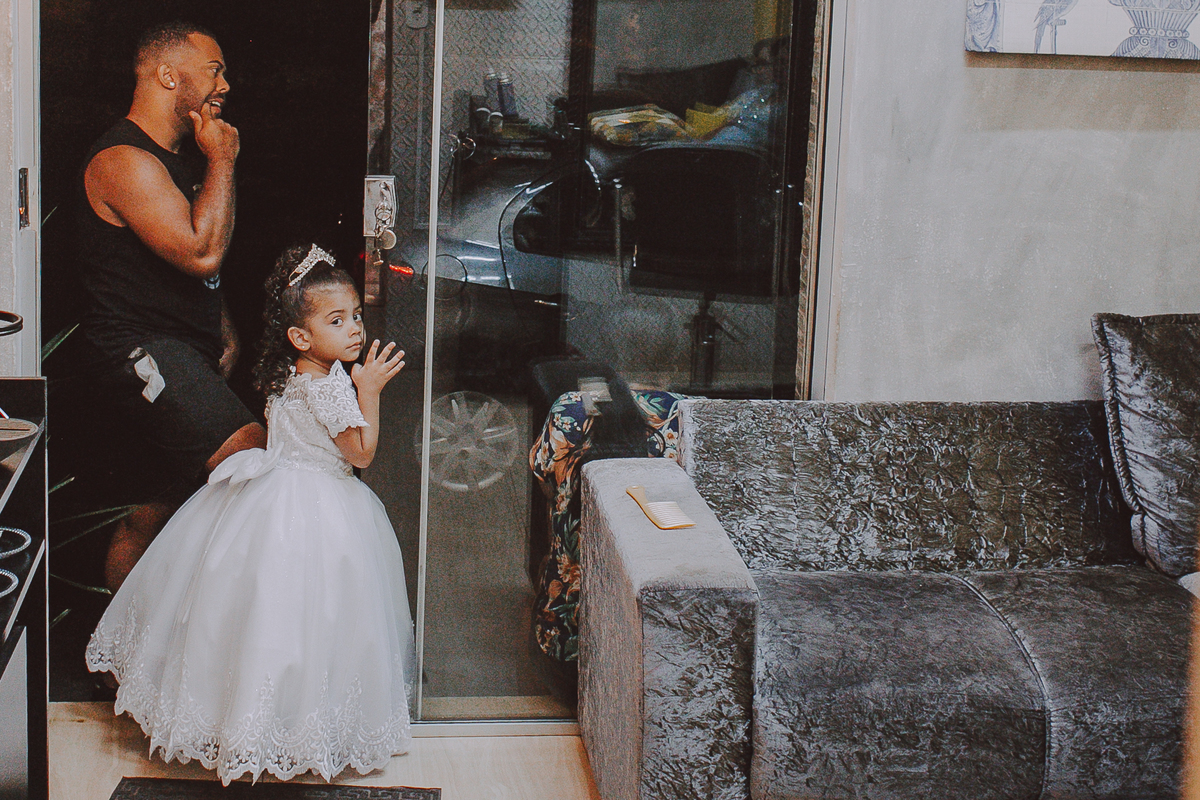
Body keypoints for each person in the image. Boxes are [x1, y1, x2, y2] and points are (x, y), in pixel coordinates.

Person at [84, 243, 414, 784]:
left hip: (271, 498)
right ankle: (296, 727)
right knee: (313, 619)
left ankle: (248, 726)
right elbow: (361, 454)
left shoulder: (293, 376)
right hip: (321, 507)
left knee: (261, 616)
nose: (355, 329)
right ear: (300, 337)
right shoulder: (332, 386)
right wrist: (370, 390)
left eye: (356, 315)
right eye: (336, 320)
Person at [76, 21, 266, 592]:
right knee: (250, 458)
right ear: (166, 74)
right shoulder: (123, 158)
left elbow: (197, 254)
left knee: (149, 514)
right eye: (214, 70)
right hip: (139, 352)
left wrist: (221, 323)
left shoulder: (179, 157)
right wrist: (224, 160)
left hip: (181, 350)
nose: (225, 85)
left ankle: (116, 647)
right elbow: (201, 252)